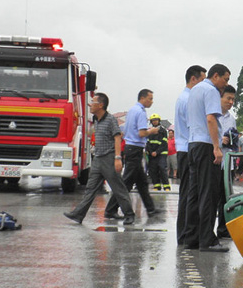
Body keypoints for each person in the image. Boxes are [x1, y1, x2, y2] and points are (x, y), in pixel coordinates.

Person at [64, 93, 136, 225]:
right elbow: (93, 132)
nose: (91, 104)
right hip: (98, 159)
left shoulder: (110, 120)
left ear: (101, 105)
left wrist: (117, 158)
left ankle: (129, 214)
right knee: (90, 189)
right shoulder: (96, 120)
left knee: (118, 189)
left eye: (93, 102)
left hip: (109, 158)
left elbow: (117, 137)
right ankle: (78, 214)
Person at [185, 63, 231, 252]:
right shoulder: (211, 90)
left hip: (193, 144)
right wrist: (216, 147)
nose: (225, 84)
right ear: (216, 76)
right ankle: (207, 240)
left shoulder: (194, 90)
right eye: (225, 80)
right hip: (206, 145)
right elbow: (211, 119)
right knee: (208, 195)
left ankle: (192, 238)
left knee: (194, 194)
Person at [105, 89, 161, 218]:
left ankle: (150, 208)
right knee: (126, 183)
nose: (151, 101)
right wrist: (151, 131)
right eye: (150, 98)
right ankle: (110, 209)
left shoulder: (131, 111)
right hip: (135, 148)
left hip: (131, 148)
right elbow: (142, 133)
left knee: (141, 182)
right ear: (142, 98)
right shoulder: (141, 112)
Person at [175, 65, 207, 247]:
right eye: (202, 80)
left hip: (185, 148)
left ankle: (185, 235)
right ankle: (185, 236)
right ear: (193, 79)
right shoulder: (188, 100)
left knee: (187, 195)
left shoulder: (185, 97)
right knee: (188, 195)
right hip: (188, 149)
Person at [215, 85, 237, 239]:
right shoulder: (212, 116)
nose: (231, 102)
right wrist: (219, 140)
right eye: (228, 98)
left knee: (225, 198)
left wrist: (232, 141)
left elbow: (234, 139)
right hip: (214, 161)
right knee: (212, 197)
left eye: (233, 99)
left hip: (227, 163)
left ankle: (223, 230)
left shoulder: (231, 119)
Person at [145, 113, 170, 191]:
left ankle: (166, 186)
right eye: (153, 120)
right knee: (153, 169)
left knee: (162, 168)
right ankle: (157, 185)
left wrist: (157, 152)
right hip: (152, 154)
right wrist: (151, 151)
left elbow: (164, 142)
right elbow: (147, 143)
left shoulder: (163, 130)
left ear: (159, 121)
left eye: (156, 120)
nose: (154, 122)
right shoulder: (149, 131)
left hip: (161, 153)